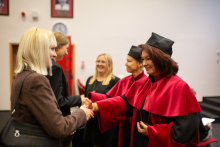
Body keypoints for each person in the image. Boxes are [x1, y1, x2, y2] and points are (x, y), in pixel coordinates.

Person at [89, 32, 201, 147]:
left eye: (148, 59)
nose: (144, 63)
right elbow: (124, 102)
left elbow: (186, 129)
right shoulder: (142, 84)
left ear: (160, 59)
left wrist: (153, 132)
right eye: (143, 59)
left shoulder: (179, 87)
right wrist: (95, 106)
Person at [11, 27, 94, 147]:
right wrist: (82, 112)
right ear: (37, 49)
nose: (55, 54)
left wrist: (67, 123)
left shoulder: (22, 76)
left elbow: (41, 118)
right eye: (52, 49)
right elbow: (59, 127)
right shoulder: (36, 80)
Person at [87, 45, 147, 147]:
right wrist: (92, 100)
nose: (125, 63)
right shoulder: (124, 81)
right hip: (119, 128)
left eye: (129, 61)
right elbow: (109, 98)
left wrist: (96, 105)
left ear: (139, 63)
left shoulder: (145, 83)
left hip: (136, 129)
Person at [46, 32, 90, 147]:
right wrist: (79, 99)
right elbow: (57, 101)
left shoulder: (46, 66)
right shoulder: (55, 67)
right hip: (59, 123)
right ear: (57, 48)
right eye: (66, 48)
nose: (66, 52)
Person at [82, 53, 120, 147]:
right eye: (98, 61)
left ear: (109, 64)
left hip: (105, 122)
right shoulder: (90, 79)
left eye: (103, 62)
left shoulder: (115, 80)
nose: (100, 64)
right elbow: (85, 95)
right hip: (91, 121)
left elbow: (117, 102)